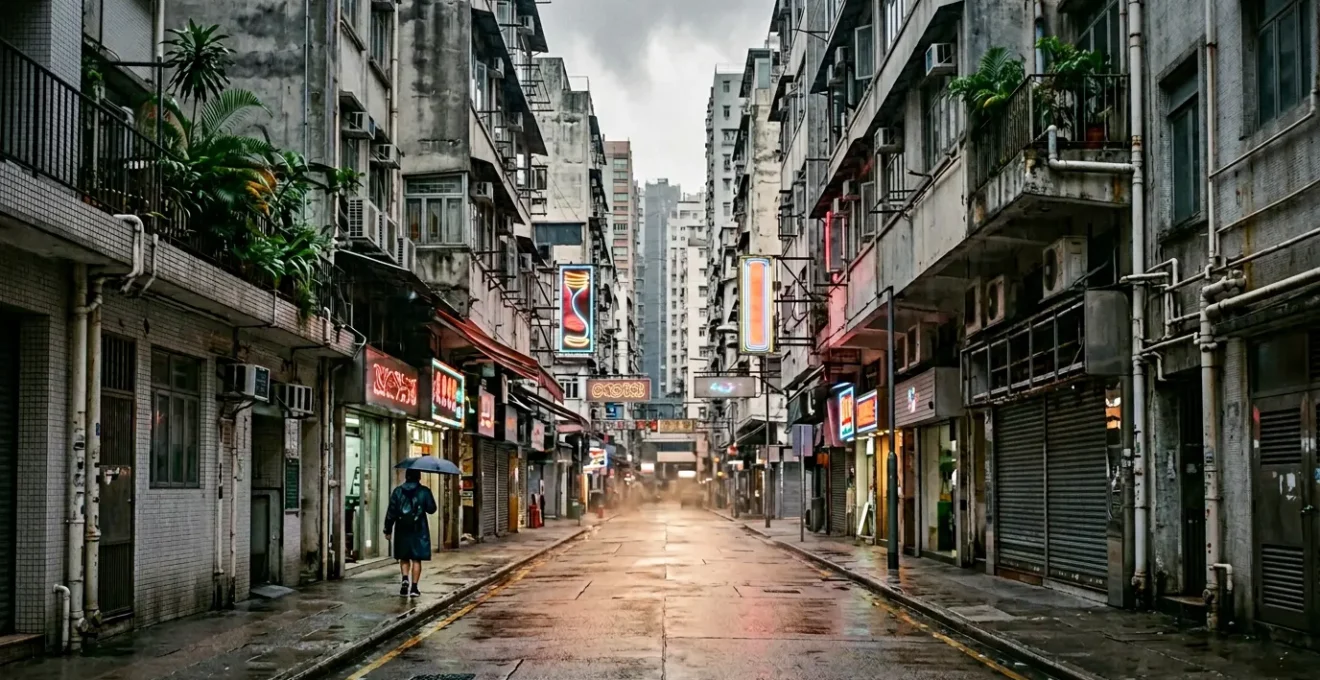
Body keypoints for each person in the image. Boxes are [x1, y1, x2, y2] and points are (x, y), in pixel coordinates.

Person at [384, 469, 437, 597]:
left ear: (406, 476)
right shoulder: (424, 491)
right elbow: (432, 509)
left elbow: (391, 512)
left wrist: (388, 529)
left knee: (404, 556)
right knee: (416, 559)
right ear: (419, 477)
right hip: (419, 528)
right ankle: (414, 588)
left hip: (402, 527)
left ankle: (405, 579)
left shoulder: (398, 491)